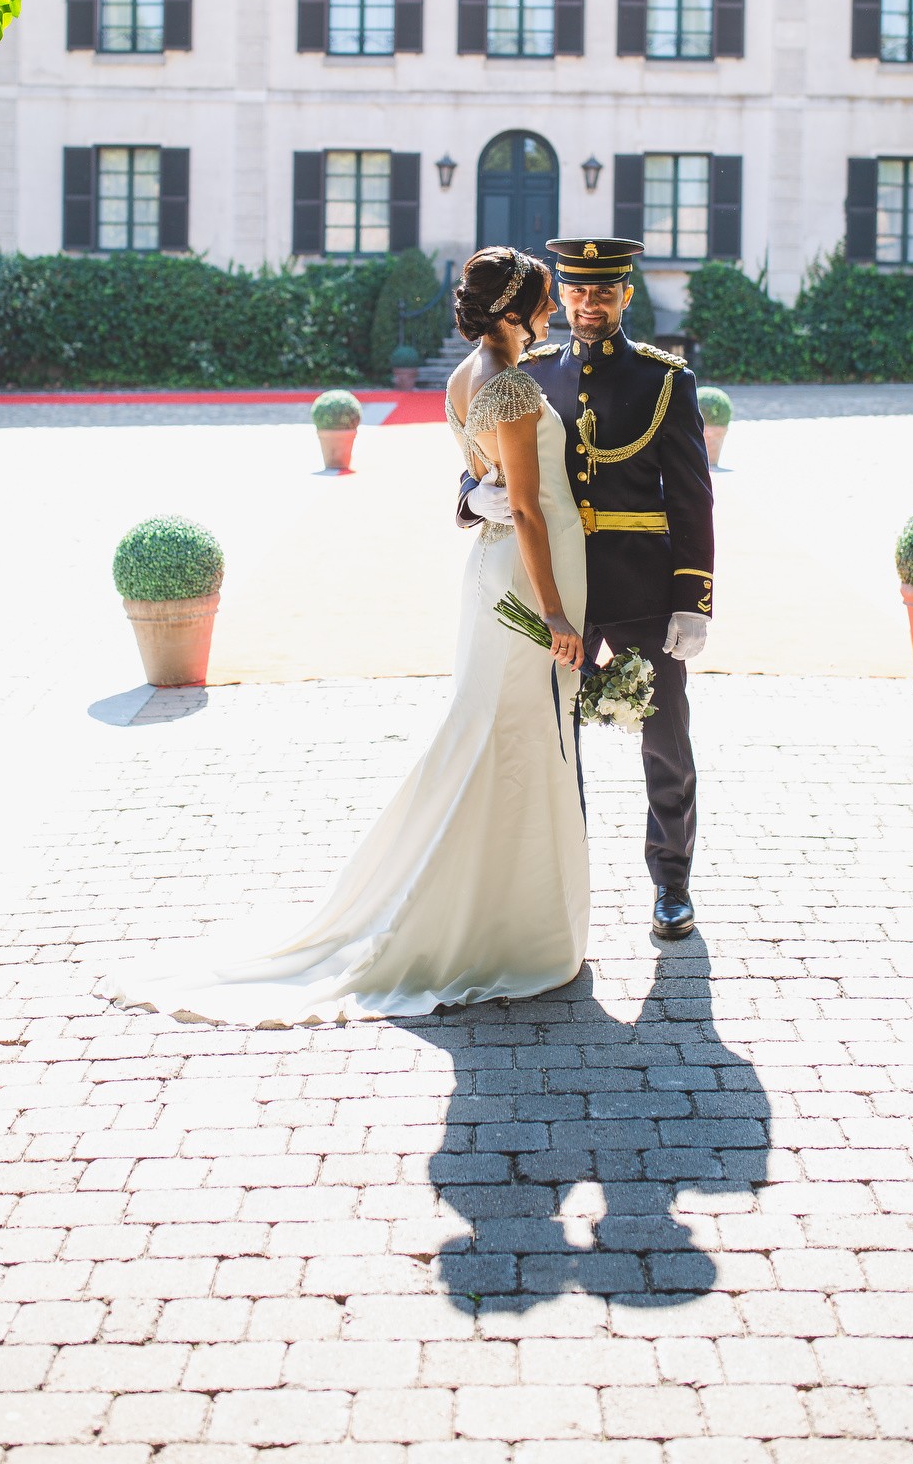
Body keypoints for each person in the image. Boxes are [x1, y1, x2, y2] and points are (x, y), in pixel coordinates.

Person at [103, 248, 589, 1026]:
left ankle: (496, 907)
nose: (553, 310)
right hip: (529, 582)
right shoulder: (513, 387)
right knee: (510, 736)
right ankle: (491, 924)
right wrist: (557, 612)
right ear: (511, 310)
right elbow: (527, 507)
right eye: (542, 299)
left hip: (492, 570)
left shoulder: (465, 378)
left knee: (494, 734)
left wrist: (484, 507)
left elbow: (487, 482)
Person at [464, 237, 714, 942]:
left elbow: (692, 497)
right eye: (576, 291)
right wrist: (470, 500)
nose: (588, 304)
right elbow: (487, 457)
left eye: (603, 291)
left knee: (665, 742)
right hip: (557, 590)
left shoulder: (664, 380)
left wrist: (692, 600)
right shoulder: (531, 372)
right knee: (552, 743)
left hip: (641, 585)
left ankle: (671, 882)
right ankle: (562, 885)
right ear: (563, 295)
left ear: (625, 295)